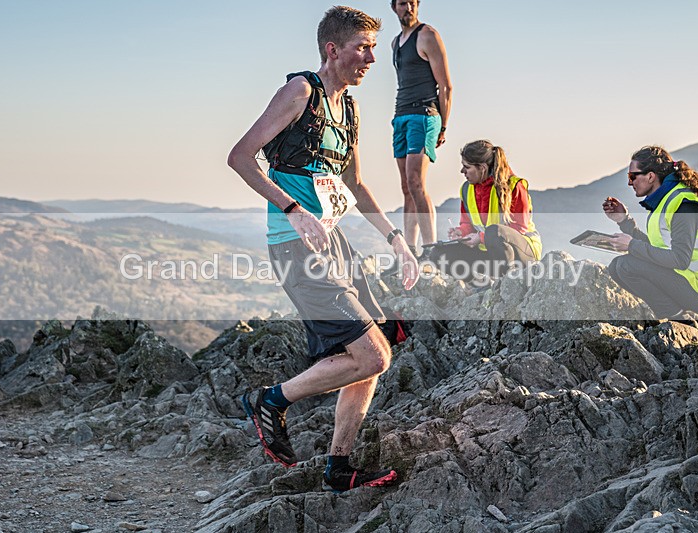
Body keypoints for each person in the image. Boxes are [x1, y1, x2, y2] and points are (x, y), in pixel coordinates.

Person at [227, 6, 418, 493]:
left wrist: (396, 240)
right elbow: (240, 157)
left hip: (335, 243)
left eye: (375, 48)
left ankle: (340, 466)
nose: (372, 58)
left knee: (379, 347)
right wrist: (293, 208)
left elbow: (355, 183)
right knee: (371, 354)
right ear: (333, 49)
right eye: (362, 47)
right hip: (296, 245)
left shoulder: (349, 108)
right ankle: (271, 400)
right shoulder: (300, 92)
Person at [603, 145, 698, 326]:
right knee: (616, 268)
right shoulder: (666, 203)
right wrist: (624, 220)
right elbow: (657, 250)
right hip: (693, 279)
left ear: (650, 176)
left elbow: (679, 259)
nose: (630, 183)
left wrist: (631, 246)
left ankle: (681, 320)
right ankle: (681, 315)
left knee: (626, 265)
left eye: (632, 176)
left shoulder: (684, 206)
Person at [390, 0, 452, 258]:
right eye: (404, 3)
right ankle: (411, 251)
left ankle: (430, 249)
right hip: (401, 115)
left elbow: (446, 86)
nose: (410, 8)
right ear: (394, 7)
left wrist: (443, 126)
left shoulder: (427, 35)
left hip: (425, 114)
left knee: (416, 182)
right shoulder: (395, 43)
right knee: (406, 186)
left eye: (413, 3)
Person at [429, 140, 542, 281]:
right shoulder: (466, 189)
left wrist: (481, 238)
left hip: (522, 254)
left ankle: (509, 283)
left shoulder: (514, 186)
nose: (462, 171)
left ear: (482, 167)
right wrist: (461, 232)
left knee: (494, 232)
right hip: (489, 252)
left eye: (467, 167)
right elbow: (467, 224)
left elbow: (519, 229)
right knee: (438, 254)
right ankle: (480, 286)